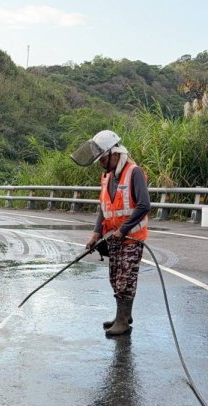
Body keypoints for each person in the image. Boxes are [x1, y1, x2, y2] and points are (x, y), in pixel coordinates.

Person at [71, 130, 150, 337]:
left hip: (131, 237)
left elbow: (144, 205)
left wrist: (123, 230)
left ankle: (123, 321)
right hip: (113, 236)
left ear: (115, 154)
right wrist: (96, 233)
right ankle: (122, 316)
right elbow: (104, 208)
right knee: (115, 277)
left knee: (126, 278)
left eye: (103, 159)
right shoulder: (107, 177)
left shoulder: (135, 173)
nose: (101, 163)